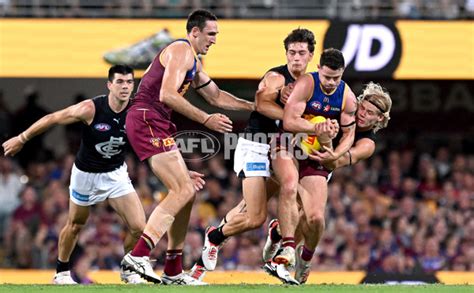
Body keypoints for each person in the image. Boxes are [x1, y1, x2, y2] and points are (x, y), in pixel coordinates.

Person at [121, 9, 254, 285]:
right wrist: (206, 119)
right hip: (147, 117)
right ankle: (138, 256)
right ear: (194, 32)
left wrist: (254, 108)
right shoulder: (181, 50)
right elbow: (167, 94)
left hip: (154, 121)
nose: (215, 40)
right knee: (181, 189)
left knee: (187, 192)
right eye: (211, 34)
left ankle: (172, 270)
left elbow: (215, 96)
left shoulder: (193, 61)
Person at [189, 28, 326, 285]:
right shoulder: (275, 77)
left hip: (284, 146)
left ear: (310, 56)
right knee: (255, 217)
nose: (296, 57)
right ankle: (215, 237)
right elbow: (261, 104)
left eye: (301, 53)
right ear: (286, 54)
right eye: (292, 52)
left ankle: (281, 242)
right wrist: (291, 113)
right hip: (256, 144)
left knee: (300, 199)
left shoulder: (312, 83)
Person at [3, 65, 149, 284]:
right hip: (86, 175)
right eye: (120, 82)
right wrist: (22, 138)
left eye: (129, 82)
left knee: (139, 228)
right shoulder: (90, 109)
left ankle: (128, 268)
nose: (125, 86)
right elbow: (53, 118)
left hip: (116, 174)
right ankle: (61, 272)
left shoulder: (138, 111)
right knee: (75, 224)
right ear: (109, 85)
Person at [265, 81, 392, 284]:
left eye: (370, 113)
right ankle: (282, 251)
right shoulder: (341, 109)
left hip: (322, 164)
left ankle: (301, 256)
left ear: (380, 119)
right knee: (291, 196)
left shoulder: (367, 144)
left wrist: (326, 141)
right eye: (363, 108)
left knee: (313, 218)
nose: (362, 114)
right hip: (294, 150)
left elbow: (334, 162)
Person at [273, 48, 357, 270]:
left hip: (316, 153)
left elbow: (349, 135)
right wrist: (316, 128)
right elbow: (289, 121)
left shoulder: (347, 97)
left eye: (336, 78)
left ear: (343, 73)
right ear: (318, 68)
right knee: (289, 186)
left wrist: (336, 154)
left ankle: (305, 262)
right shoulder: (306, 84)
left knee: (316, 218)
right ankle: (287, 246)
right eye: (327, 76)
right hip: (289, 145)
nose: (330, 82)